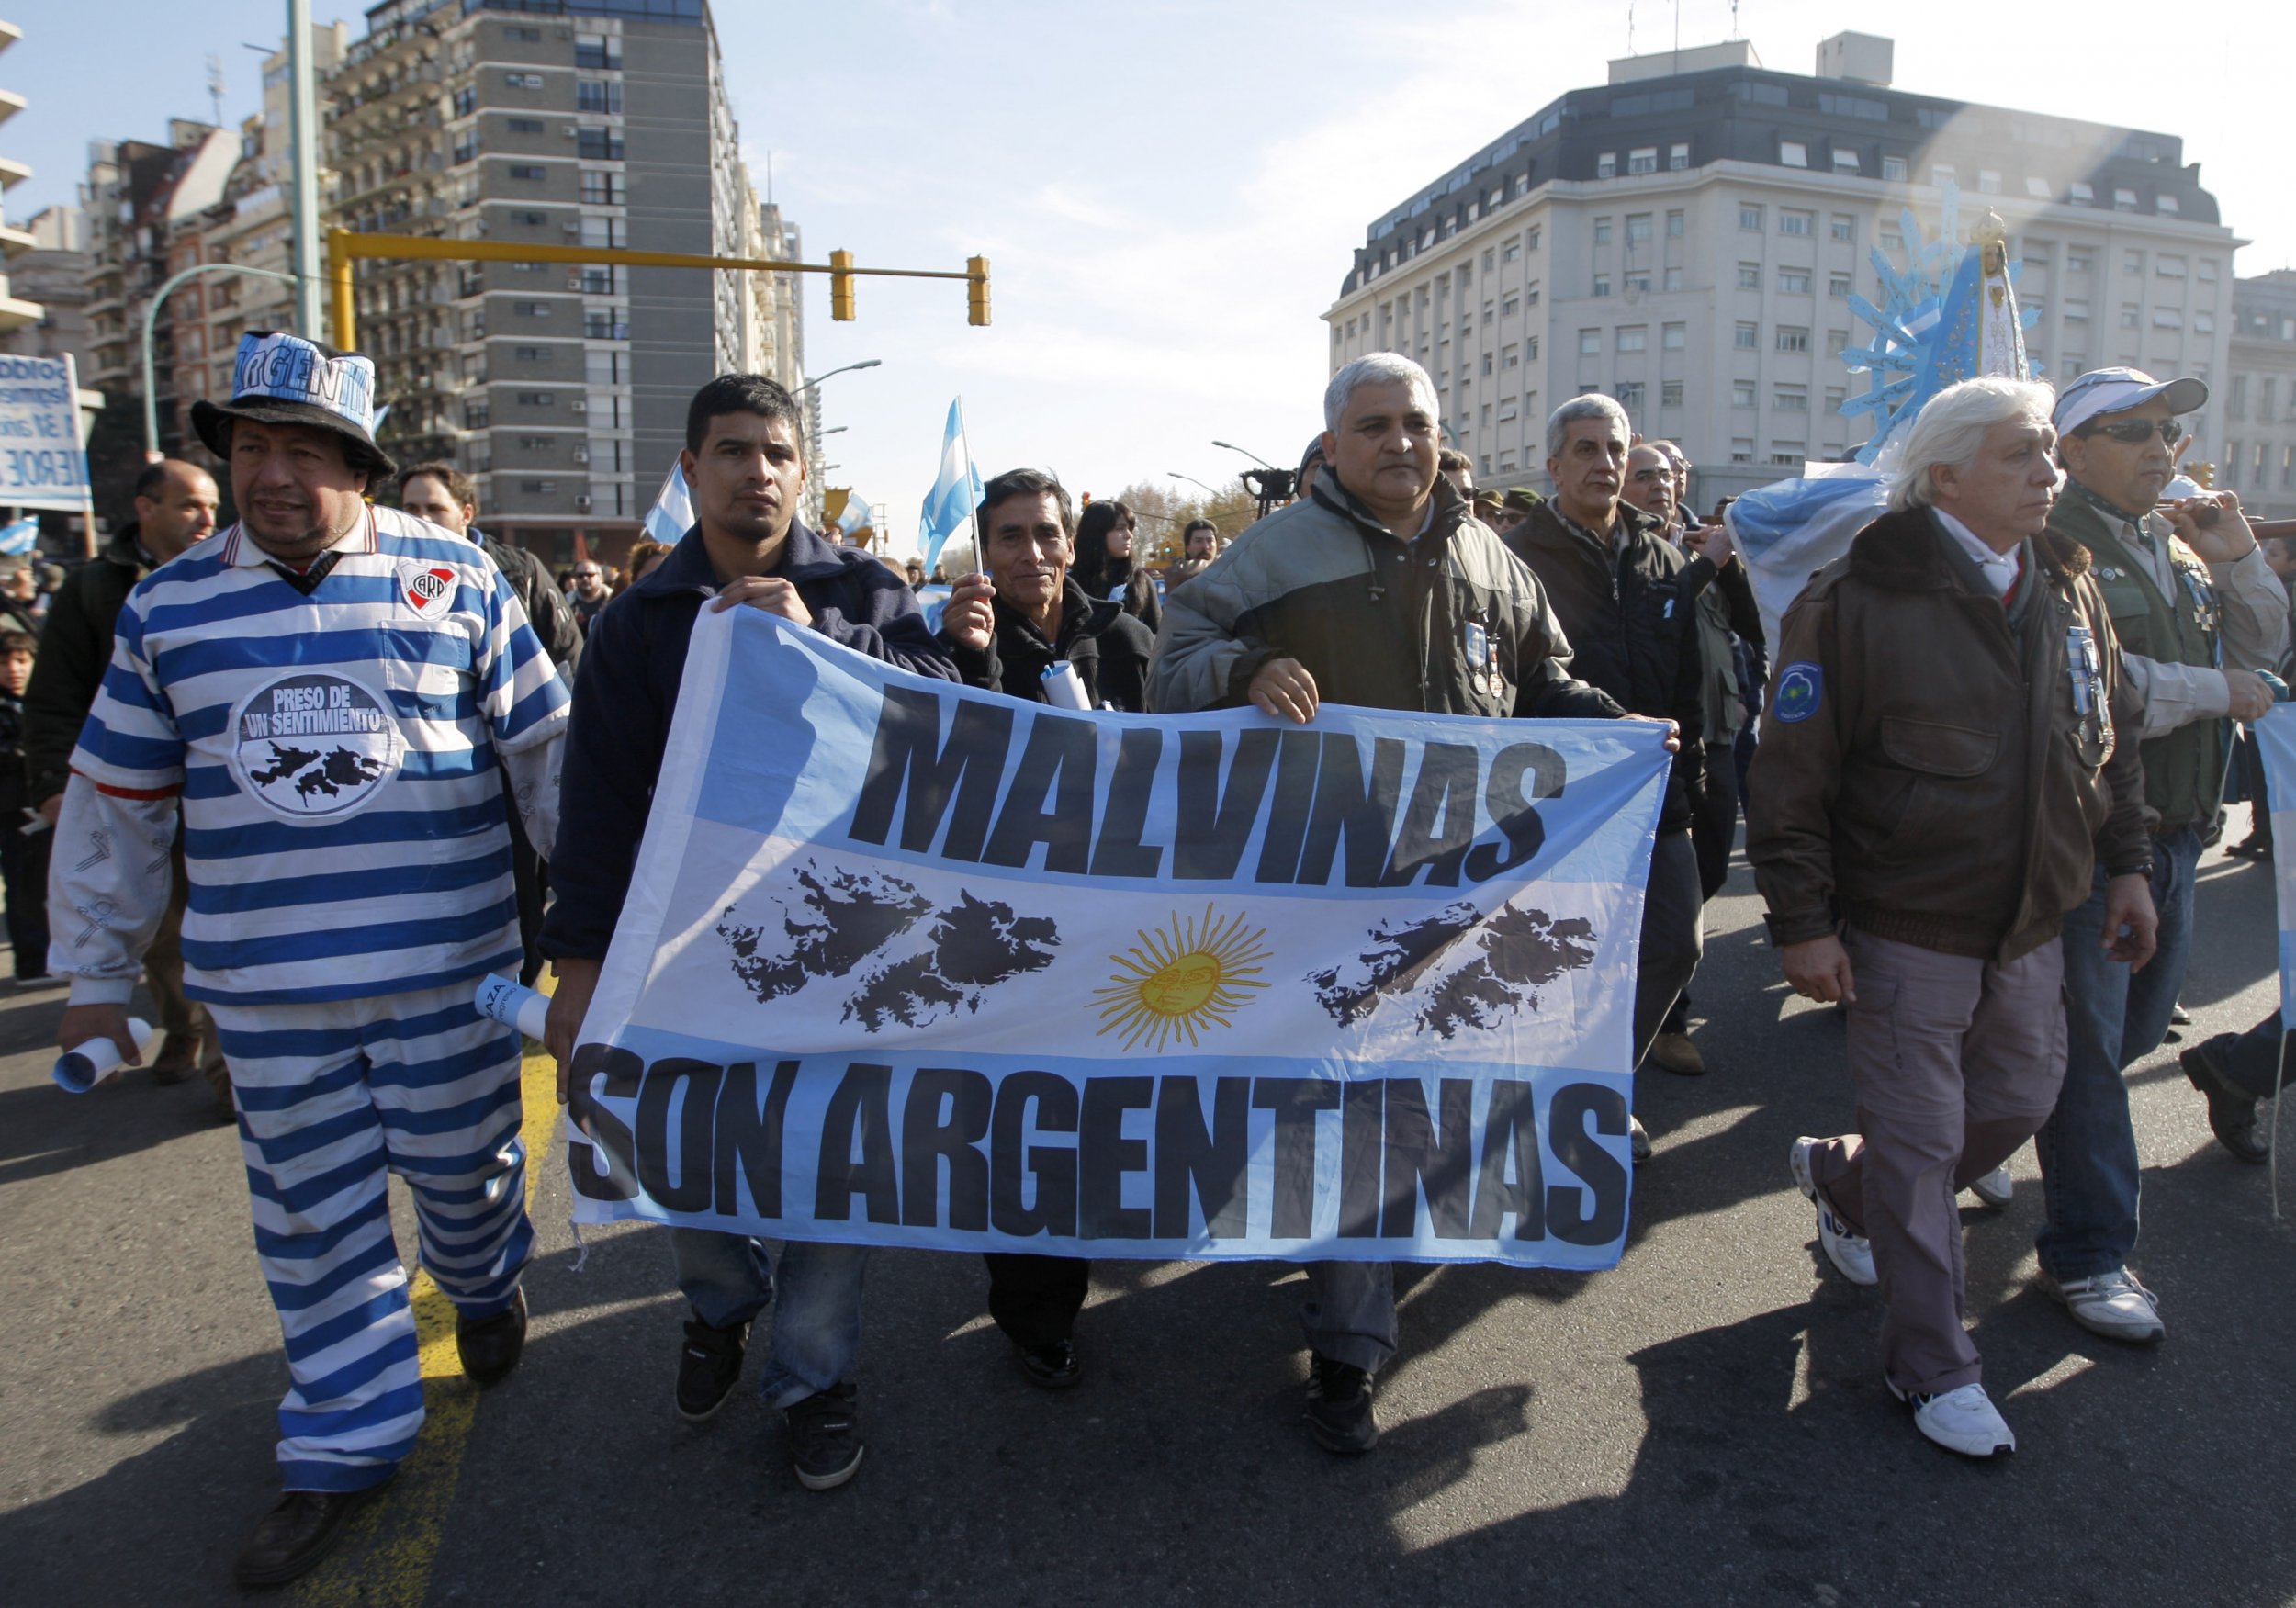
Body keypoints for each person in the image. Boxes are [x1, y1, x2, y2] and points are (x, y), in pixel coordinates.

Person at [51, 331, 567, 1584]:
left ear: (362, 468)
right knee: (314, 1231)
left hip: (453, 978)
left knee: (469, 1176)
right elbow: (118, 798)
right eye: (249, 447)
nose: (270, 474)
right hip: (268, 1002)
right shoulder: (166, 608)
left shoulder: (459, 579)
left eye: (301, 450)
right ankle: (339, 1445)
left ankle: (485, 1278)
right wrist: (96, 976)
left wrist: (612, 926)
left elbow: (553, 758)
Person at [1154, 353, 1649, 1457]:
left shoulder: (1489, 556)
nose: (1399, 444)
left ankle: (1345, 1278)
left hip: (1465, 892)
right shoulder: (1274, 552)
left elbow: (1541, 678)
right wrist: (1245, 667)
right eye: (1372, 425)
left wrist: (1615, 727)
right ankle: (1347, 1352)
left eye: (1414, 424)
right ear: (1332, 445)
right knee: (1358, 1113)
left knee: (1419, 1100)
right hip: (1325, 892)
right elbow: (1172, 655)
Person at [541, 373, 960, 1494]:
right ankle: (721, 1308)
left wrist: (820, 641)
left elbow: (947, 711)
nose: (756, 472)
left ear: (803, 469)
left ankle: (814, 1382)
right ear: (690, 471)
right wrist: (578, 978)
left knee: (829, 1178)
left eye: (777, 451)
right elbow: (594, 806)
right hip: (679, 958)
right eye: (731, 451)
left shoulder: (868, 591)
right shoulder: (634, 626)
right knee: (687, 1159)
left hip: (846, 953)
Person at [1747, 376, 2155, 1458]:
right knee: (1926, 1143)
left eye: (2048, 454)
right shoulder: (1852, 597)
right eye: (2022, 453)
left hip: (2031, 918)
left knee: (2021, 1094)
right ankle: (1932, 1363)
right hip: (1902, 919)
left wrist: (2125, 867)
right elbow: (1789, 779)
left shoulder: (2070, 584)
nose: (2048, 473)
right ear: (1944, 475)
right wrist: (1802, 919)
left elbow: (2104, 742)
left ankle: (1842, 1176)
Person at [2029, 367, 2289, 1344]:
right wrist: (2218, 691)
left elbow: (2267, 653)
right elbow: (2096, 679)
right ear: (2073, 451)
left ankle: (1883, 1161)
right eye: (2129, 428)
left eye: (2167, 429)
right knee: (2091, 1059)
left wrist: (2236, 563)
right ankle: (2088, 1251)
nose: (2158, 446)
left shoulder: (2174, 539)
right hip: (2097, 839)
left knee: (2120, 1039)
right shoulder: (2056, 541)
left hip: (2180, 830)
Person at [931, 467, 1154, 1390]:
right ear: (983, 551)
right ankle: (1036, 1311)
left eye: (1048, 534)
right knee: (1023, 1120)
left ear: (1074, 542)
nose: (1032, 553)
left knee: (1102, 1114)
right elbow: (940, 777)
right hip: (1005, 929)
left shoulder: (1130, 637)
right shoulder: (948, 643)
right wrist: (972, 663)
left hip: (1119, 919)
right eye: (1011, 536)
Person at [1503, 397, 1711, 1115]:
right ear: (1555, 464)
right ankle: (1563, 1100)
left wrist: (1695, 772)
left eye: (1615, 449)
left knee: (1674, 945)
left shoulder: (1664, 555)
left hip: (1658, 790)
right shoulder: (1515, 558)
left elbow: (1690, 674)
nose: (1605, 463)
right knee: (1559, 960)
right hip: (1558, 797)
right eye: (1586, 449)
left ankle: (1602, 1078)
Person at [25, 457, 223, 1096]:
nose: (207, 518)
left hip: (214, 797)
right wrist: (55, 784)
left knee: (221, 922)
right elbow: (54, 697)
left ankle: (229, 1067)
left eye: (213, 507)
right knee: (162, 933)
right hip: (130, 793)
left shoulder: (231, 576)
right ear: (146, 508)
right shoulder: (93, 590)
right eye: (191, 505)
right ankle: (181, 1024)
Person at [397, 463, 582, 987]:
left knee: (525, 895)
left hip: (517, 774)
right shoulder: (380, 576)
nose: (422, 520)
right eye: (410, 509)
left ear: (466, 514)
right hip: (436, 790)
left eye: (434, 508)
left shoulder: (513, 571)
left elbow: (567, 662)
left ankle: (522, 988)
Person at [1620, 442, 1765, 1077]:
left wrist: (1725, 565)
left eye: (1672, 473)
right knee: (1648, 891)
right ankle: (1663, 1020)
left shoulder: (1704, 545)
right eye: (1645, 474)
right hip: (1651, 740)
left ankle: (1664, 999)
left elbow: (1758, 629)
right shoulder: (1629, 553)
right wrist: (1704, 564)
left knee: (1703, 872)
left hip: (1718, 733)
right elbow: (1657, 621)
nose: (1662, 484)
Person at [0, 628, 48, 984]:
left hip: (47, 804)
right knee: (22, 886)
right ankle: (31, 962)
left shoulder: (44, 702)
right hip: (14, 810)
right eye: (3, 662)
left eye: (20, 660)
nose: (13, 669)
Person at [1070, 499, 1164, 638]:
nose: (1129, 535)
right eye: (1120, 529)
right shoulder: (1070, 584)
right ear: (1097, 533)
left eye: (1129, 529)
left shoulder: (1141, 581)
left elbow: (1158, 636)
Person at [1165, 518, 1221, 589]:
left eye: (1209, 540)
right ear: (1187, 547)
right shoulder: (1177, 573)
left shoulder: (1228, 573)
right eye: (1198, 541)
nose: (1205, 547)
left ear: (1216, 544)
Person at [568, 559, 610, 630]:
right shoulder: (567, 601)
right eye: (580, 575)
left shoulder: (613, 599)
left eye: (590, 575)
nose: (585, 578)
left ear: (601, 578)